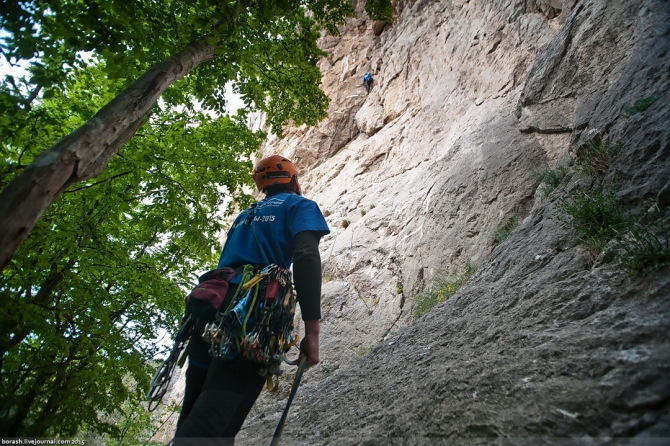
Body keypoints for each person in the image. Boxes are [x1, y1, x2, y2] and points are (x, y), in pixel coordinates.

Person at [173, 155, 330, 444]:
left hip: (211, 308)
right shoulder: (299, 205)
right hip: (251, 314)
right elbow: (306, 255)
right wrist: (312, 332)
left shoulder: (244, 216)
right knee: (216, 421)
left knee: (195, 412)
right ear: (294, 182)